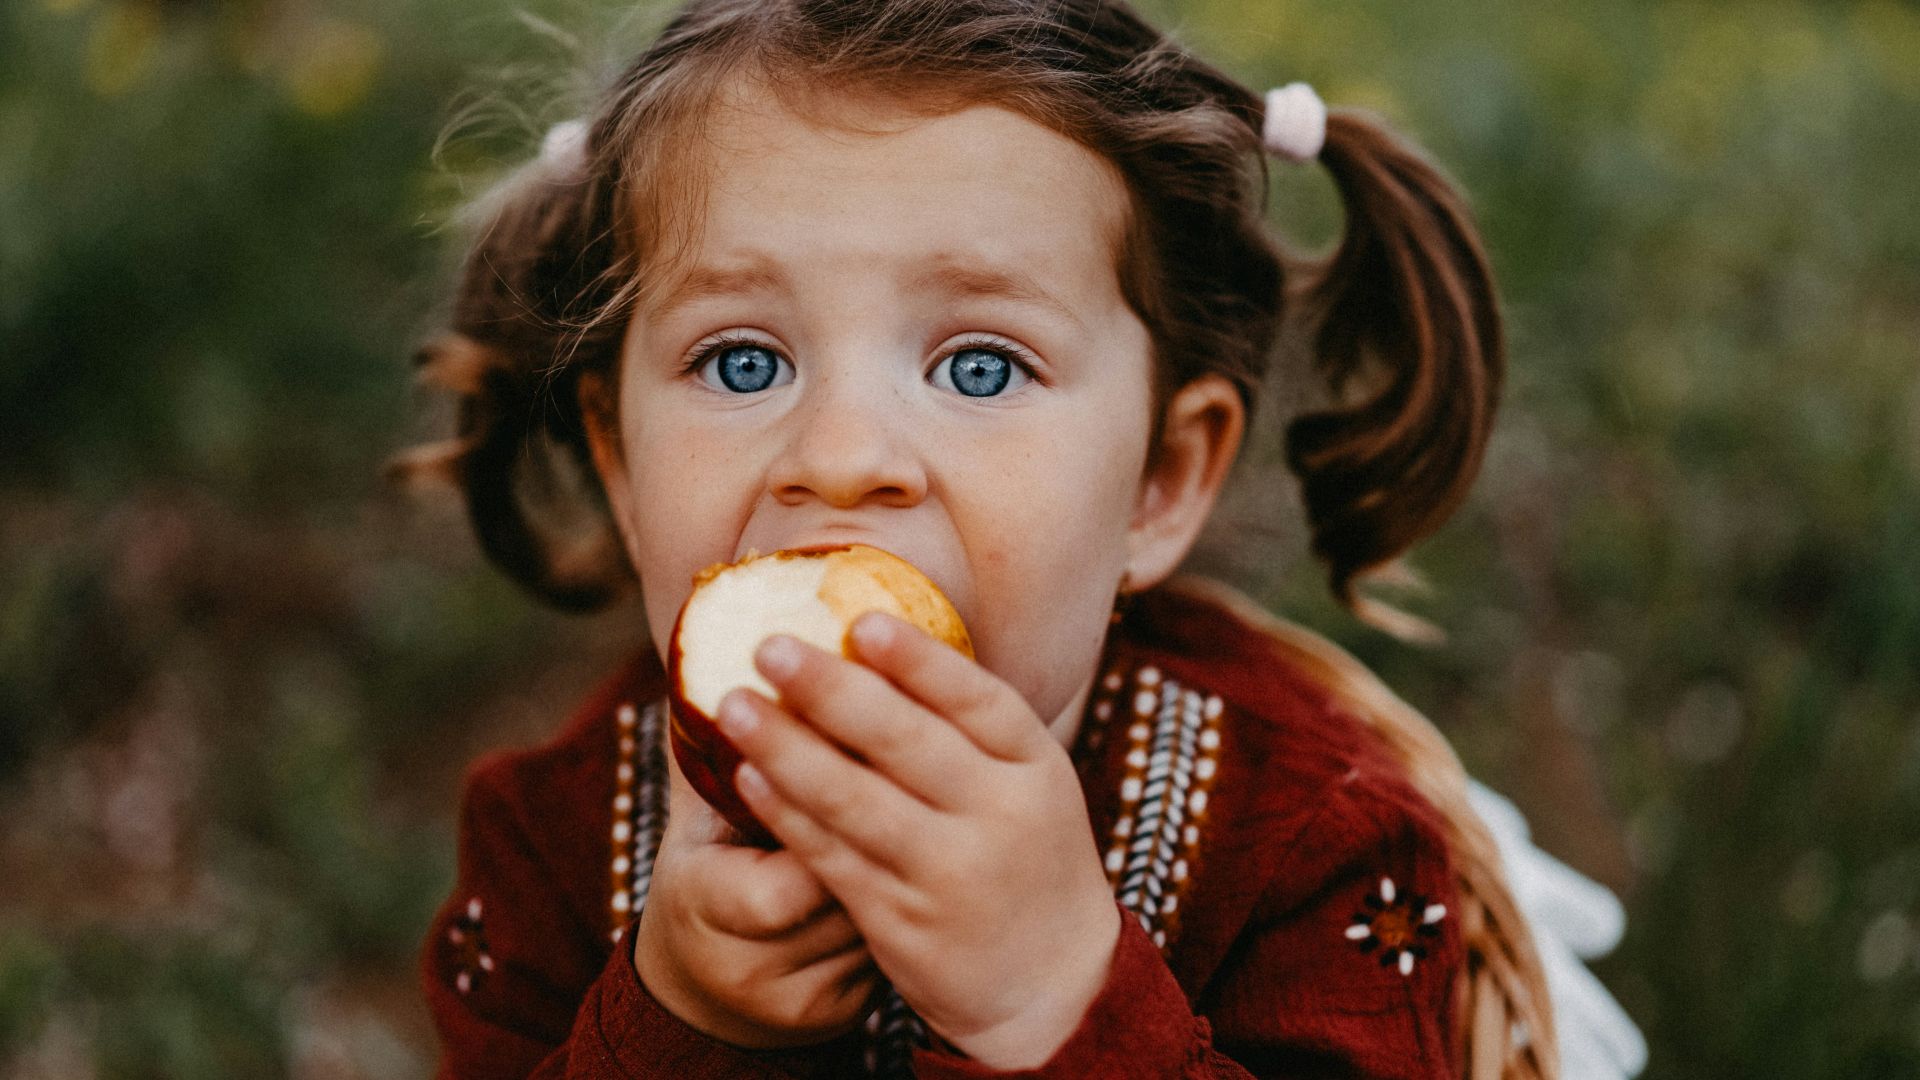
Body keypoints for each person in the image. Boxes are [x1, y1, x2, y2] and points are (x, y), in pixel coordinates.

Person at [399, 1, 1644, 1077]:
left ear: (1161, 480)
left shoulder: (1310, 848)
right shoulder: (551, 845)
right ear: (620, 463)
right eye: (742, 359)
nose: (840, 456)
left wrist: (1053, 1004)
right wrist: (679, 1021)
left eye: (981, 367)